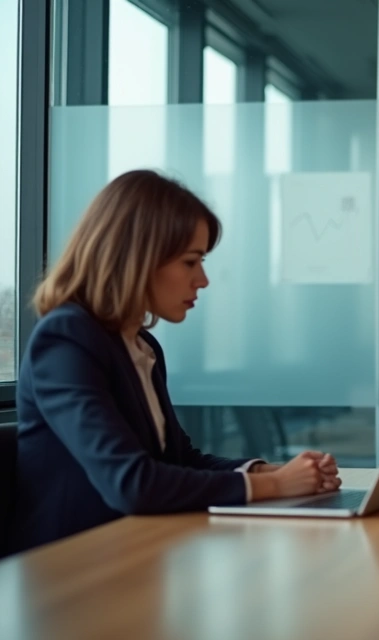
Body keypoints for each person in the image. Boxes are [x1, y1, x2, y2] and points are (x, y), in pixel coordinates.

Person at [11, 170, 341, 553]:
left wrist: (269, 471)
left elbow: (180, 460)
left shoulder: (140, 347)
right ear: (137, 258)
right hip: (71, 570)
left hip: (140, 551)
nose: (203, 280)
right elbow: (131, 483)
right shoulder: (66, 340)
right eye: (190, 262)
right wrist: (276, 487)